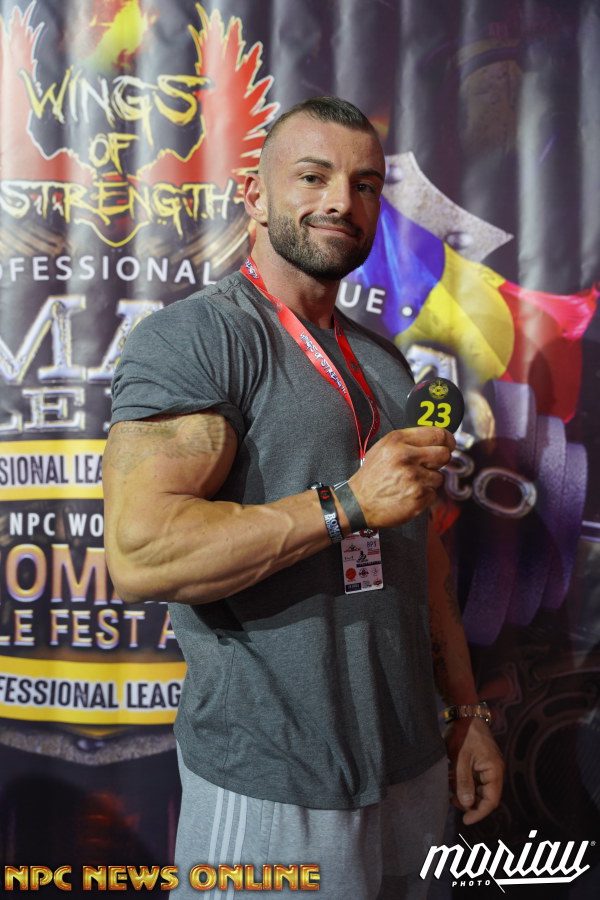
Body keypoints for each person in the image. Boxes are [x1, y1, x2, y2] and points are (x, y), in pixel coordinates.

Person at [103, 96, 504, 899]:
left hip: (411, 768)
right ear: (254, 195)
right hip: (276, 784)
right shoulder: (199, 338)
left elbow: (421, 556)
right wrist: (347, 504)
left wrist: (466, 713)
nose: (340, 202)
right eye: (313, 177)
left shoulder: (384, 362)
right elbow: (143, 552)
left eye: (364, 185)